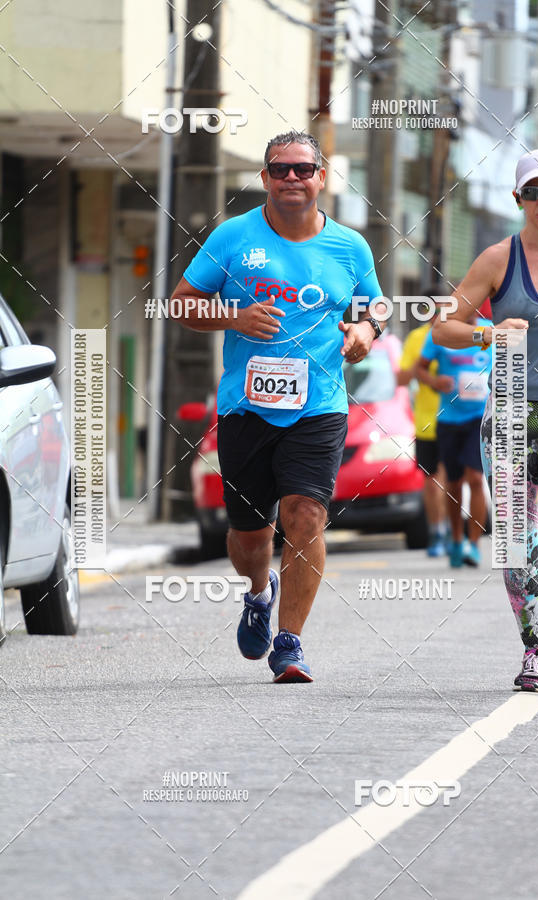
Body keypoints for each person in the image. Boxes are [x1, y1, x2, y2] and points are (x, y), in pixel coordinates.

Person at [170, 131, 385, 683]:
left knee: (306, 516)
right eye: (281, 169)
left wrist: (365, 330)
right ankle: (258, 590)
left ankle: (289, 644)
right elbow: (180, 304)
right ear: (264, 177)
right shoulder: (233, 236)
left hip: (320, 405)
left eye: (303, 169)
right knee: (250, 535)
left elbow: (376, 307)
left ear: (321, 177)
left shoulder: (350, 246)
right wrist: (233, 317)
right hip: (246, 408)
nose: (292, 178)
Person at [433, 148, 538, 695]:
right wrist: (489, 333)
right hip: (508, 411)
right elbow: (443, 327)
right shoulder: (497, 260)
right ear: (518, 199)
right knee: (513, 537)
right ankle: (533, 649)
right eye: (532, 191)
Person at [415, 308, 493, 568]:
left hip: (479, 418)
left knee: (476, 478)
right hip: (448, 418)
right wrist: (434, 381)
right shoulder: (442, 330)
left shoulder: (491, 329)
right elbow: (419, 369)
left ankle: (474, 544)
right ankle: (457, 539)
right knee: (454, 482)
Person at [398, 303, 447, 556]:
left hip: (454, 419)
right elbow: (400, 379)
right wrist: (422, 363)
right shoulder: (416, 338)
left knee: (450, 479)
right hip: (425, 422)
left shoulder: (455, 335)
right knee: (431, 482)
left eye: (444, 311)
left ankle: (451, 531)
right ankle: (437, 531)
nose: (438, 316)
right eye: (434, 311)